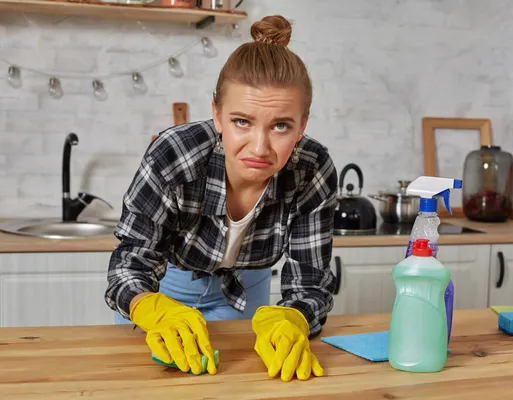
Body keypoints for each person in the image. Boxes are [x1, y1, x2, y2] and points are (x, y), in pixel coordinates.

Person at [104, 14, 338, 382]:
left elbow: (310, 285)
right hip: (163, 296)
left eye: (281, 125)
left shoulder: (313, 168)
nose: (259, 148)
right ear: (216, 114)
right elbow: (128, 268)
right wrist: (152, 309)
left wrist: (295, 316)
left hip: (243, 295)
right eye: (242, 121)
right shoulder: (174, 154)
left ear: (303, 125)